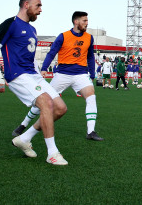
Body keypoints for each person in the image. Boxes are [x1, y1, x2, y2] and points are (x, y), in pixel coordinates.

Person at [0, 0, 69, 165]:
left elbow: (30, 57)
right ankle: (52, 153)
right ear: (26, 5)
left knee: (60, 108)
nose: (40, 10)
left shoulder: (32, 29)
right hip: (17, 75)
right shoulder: (10, 23)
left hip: (33, 75)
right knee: (46, 103)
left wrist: (39, 75)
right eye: (38, 6)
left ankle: (24, 138)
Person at [12, 11, 103, 141]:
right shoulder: (63, 36)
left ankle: (91, 131)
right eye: (84, 21)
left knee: (91, 96)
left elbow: (90, 56)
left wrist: (92, 73)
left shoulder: (89, 37)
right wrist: (44, 69)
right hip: (62, 74)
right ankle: (23, 124)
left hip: (81, 74)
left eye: (87, 21)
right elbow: (52, 53)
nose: (87, 23)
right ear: (76, 21)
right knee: (45, 100)